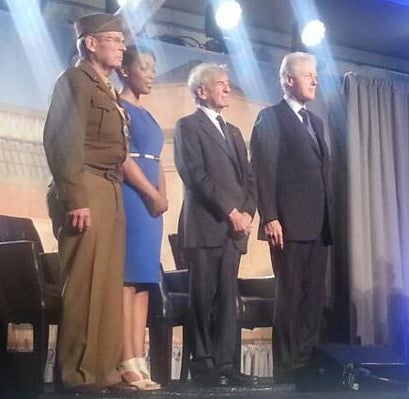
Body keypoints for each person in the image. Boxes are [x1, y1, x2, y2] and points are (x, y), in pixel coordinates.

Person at [43, 13, 137, 394]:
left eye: (122, 39)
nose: (122, 45)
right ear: (90, 43)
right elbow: (62, 142)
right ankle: (78, 374)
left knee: (109, 284)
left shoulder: (107, 90)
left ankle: (105, 370)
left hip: (110, 189)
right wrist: (76, 199)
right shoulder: (74, 82)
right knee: (84, 283)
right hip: (87, 186)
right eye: (114, 39)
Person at [250, 52, 332, 381]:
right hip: (287, 225)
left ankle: (307, 362)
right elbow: (262, 170)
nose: (315, 80)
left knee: (314, 298)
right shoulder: (271, 117)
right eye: (307, 75)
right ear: (288, 80)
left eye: (315, 74)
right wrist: (270, 216)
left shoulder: (316, 122)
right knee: (291, 296)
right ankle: (286, 368)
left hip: (318, 224)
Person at [174, 63, 258, 386]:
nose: (227, 88)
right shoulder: (188, 127)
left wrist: (248, 212)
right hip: (206, 226)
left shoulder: (234, 131)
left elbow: (249, 178)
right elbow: (195, 175)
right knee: (202, 296)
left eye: (227, 83)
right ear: (201, 91)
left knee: (227, 298)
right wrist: (230, 212)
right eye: (220, 83)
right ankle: (202, 362)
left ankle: (225, 363)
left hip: (234, 231)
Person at [117, 45, 167, 390]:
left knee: (145, 280)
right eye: (144, 67)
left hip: (153, 202)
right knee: (128, 278)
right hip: (133, 197)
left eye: (153, 68)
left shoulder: (147, 115)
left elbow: (157, 159)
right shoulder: (120, 109)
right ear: (125, 70)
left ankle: (139, 357)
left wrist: (162, 194)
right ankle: (125, 358)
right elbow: (121, 157)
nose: (151, 73)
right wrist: (149, 194)